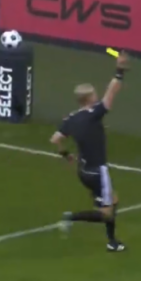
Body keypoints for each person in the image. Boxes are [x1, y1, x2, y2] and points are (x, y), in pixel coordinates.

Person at [49, 52, 129, 252]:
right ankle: (72, 218)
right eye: (94, 94)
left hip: (83, 171)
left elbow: (55, 139)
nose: (96, 96)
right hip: (98, 171)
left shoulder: (71, 119)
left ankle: (112, 241)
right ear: (89, 98)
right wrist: (120, 70)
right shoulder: (94, 114)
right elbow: (112, 92)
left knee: (113, 199)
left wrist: (65, 154)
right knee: (106, 213)